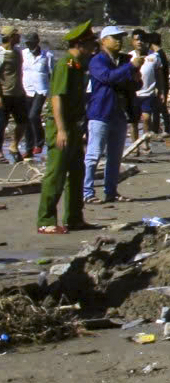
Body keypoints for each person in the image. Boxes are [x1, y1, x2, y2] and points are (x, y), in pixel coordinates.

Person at [34, 22, 95, 234]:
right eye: (90, 43)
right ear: (80, 44)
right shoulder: (64, 65)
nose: (93, 46)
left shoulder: (78, 65)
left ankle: (75, 217)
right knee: (56, 173)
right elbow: (56, 98)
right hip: (62, 125)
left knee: (77, 172)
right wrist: (61, 129)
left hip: (75, 125)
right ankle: (46, 220)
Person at [82, 26, 138, 205]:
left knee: (115, 156)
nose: (119, 41)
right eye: (115, 38)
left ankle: (111, 191)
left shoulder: (122, 61)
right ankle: (87, 191)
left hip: (119, 113)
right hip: (100, 111)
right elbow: (107, 77)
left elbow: (131, 85)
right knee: (94, 154)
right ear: (104, 40)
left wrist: (135, 76)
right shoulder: (97, 60)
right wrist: (130, 67)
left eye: (120, 38)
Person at [135, 32, 170, 149]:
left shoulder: (157, 55)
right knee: (160, 109)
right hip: (161, 85)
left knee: (159, 108)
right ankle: (159, 130)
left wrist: (160, 88)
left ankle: (160, 130)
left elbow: (160, 72)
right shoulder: (160, 53)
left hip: (159, 86)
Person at [21, 31, 54, 161]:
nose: (29, 45)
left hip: (41, 90)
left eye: (31, 42)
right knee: (26, 119)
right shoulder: (23, 54)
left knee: (33, 115)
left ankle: (39, 141)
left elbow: (52, 73)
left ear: (37, 42)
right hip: (26, 89)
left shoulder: (47, 55)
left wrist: (52, 93)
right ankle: (28, 149)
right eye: (27, 43)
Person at [0, 25, 26, 163]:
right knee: (1, 125)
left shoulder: (17, 52)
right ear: (11, 37)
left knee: (23, 122)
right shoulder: (1, 53)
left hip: (18, 93)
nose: (19, 37)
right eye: (17, 35)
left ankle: (14, 146)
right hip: (5, 94)